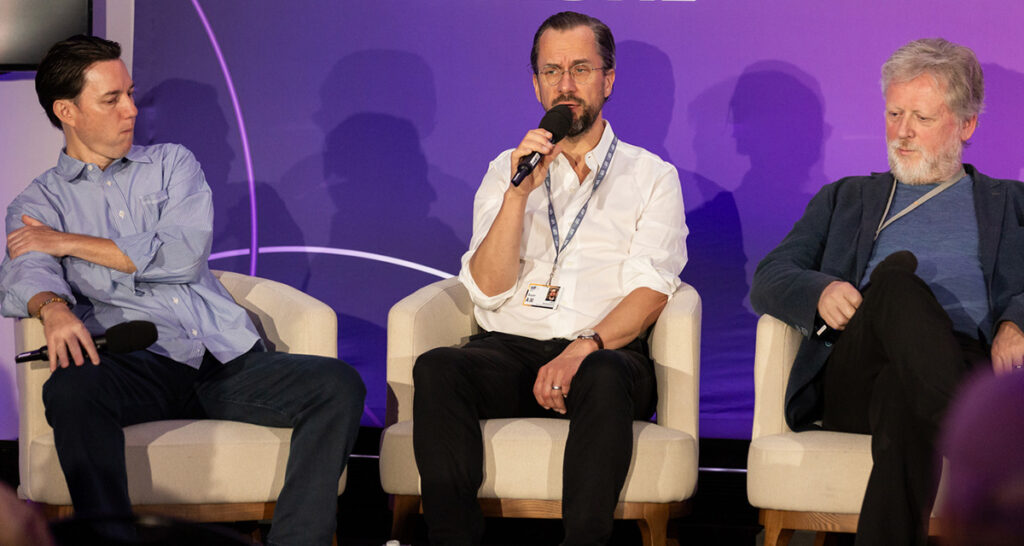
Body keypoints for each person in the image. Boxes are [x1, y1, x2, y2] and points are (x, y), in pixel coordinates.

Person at [0, 35, 366, 546]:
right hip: (138, 364)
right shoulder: (37, 201)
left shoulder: (173, 164)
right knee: (71, 390)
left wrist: (68, 241)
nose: (131, 110)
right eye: (112, 99)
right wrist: (54, 307)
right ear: (67, 111)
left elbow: (182, 255)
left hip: (222, 358)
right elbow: (27, 271)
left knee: (337, 384)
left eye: (131, 93)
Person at [411, 11, 687, 546]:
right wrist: (519, 194)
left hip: (603, 353)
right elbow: (488, 288)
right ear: (535, 82)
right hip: (511, 348)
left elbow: (653, 287)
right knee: (440, 367)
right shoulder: (506, 170)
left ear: (608, 80)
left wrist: (585, 345)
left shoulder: (651, 176)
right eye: (551, 71)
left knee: (605, 375)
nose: (565, 86)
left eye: (580, 69)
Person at [750, 38, 1024, 546]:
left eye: (921, 117)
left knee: (905, 395)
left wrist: (1017, 320)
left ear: (966, 126)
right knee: (896, 282)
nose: (901, 132)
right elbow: (770, 275)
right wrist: (821, 289)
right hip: (859, 365)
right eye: (894, 113)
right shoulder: (848, 197)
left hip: (960, 364)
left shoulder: (1009, 203)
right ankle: (978, 441)